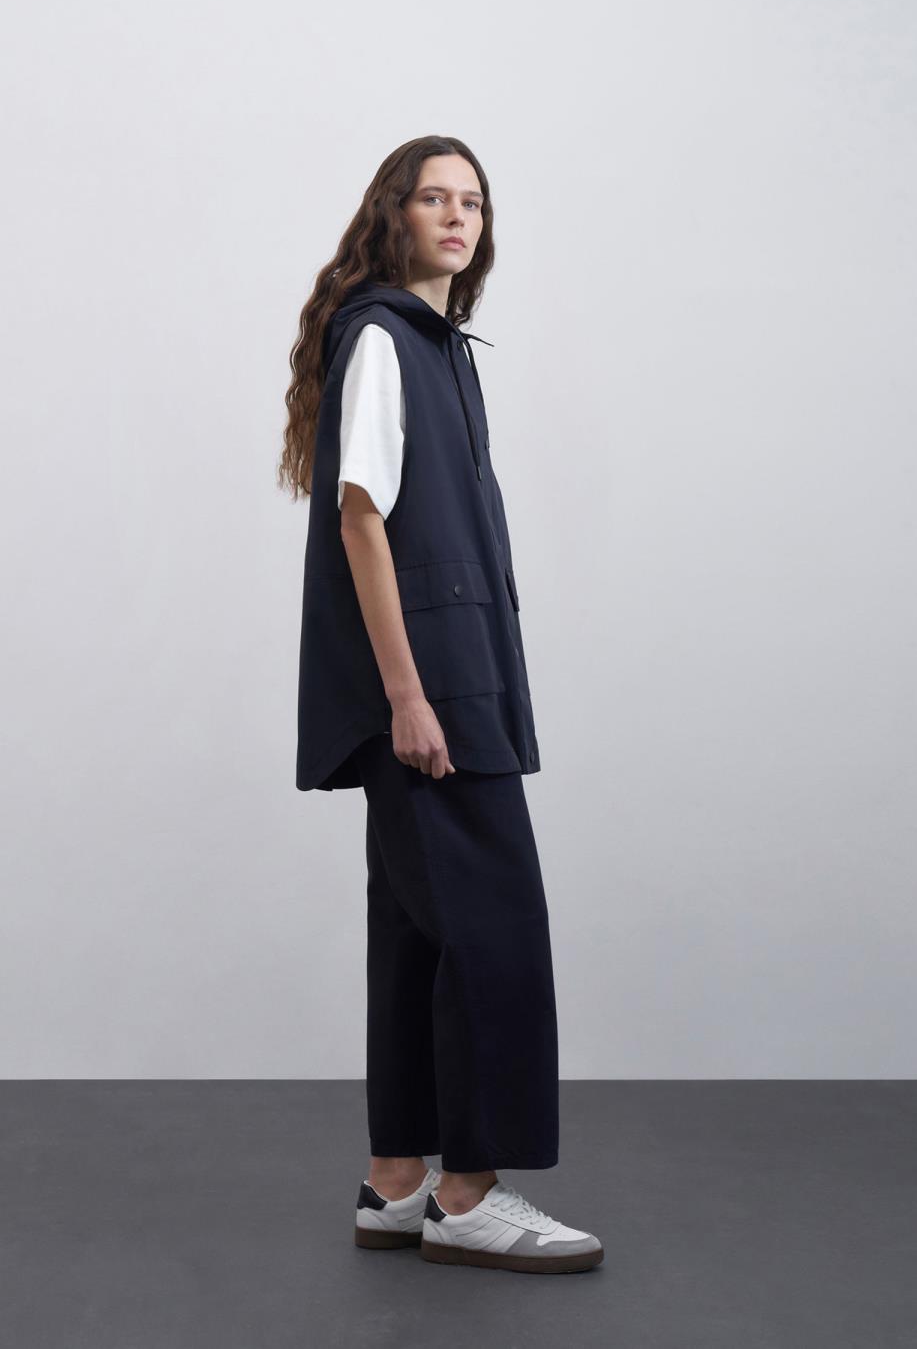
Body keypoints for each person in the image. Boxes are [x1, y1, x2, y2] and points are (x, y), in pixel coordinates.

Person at [278, 136, 604, 1274]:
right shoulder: (383, 338)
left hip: (457, 673)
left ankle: (397, 1181)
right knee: (495, 928)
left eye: (472, 201)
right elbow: (359, 518)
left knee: (418, 934)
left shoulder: (434, 344)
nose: (457, 216)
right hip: (431, 689)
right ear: (395, 214)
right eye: (434, 198)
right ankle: (469, 1196)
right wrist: (408, 696)